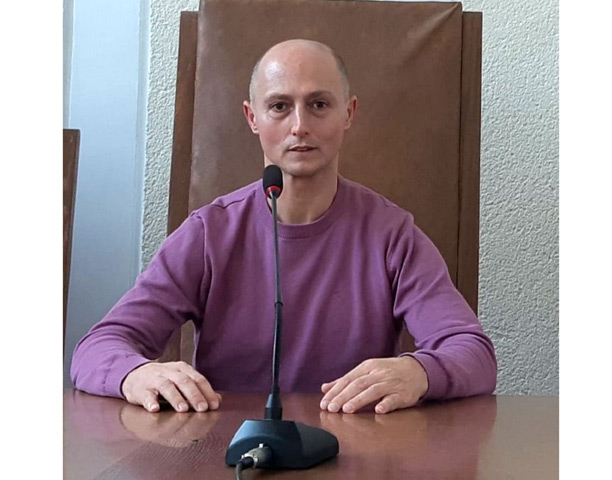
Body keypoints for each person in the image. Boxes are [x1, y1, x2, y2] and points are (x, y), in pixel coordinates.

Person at [71, 39, 496, 415]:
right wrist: (135, 374)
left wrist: (418, 371)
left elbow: (474, 354)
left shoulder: (392, 234)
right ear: (252, 117)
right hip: (227, 451)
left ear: (348, 113)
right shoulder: (208, 233)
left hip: (355, 449)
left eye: (319, 104)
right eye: (279, 106)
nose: (299, 126)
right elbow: (97, 348)